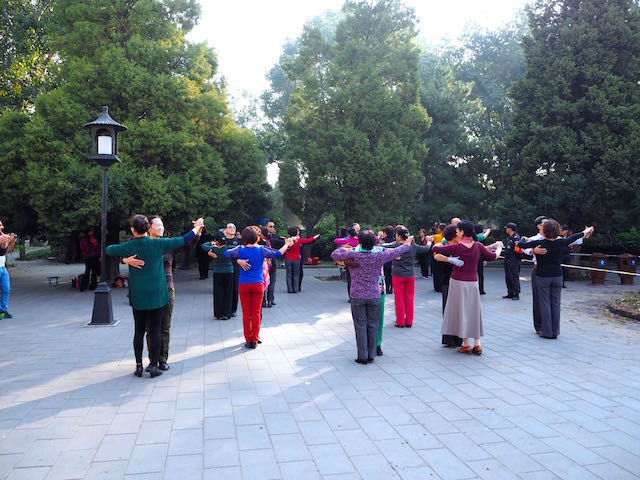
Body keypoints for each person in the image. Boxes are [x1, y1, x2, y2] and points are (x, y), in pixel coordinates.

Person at [106, 214, 204, 377]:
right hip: (158, 294)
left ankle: (141, 365)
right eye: (157, 225)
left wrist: (125, 259)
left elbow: (109, 249)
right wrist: (197, 227)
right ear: (148, 228)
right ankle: (153, 365)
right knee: (156, 330)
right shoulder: (160, 244)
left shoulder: (131, 245)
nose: (160, 227)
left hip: (140, 295)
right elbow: (183, 239)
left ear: (133, 230)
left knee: (141, 331)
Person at [332, 229, 412, 364]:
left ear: (360, 243)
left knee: (360, 325)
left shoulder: (353, 254)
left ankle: (362, 355)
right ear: (374, 243)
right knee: (373, 324)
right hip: (374, 294)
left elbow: (334, 254)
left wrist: (344, 248)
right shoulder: (379, 255)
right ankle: (371, 354)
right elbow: (396, 251)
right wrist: (407, 244)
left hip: (357, 295)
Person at [432, 220, 502, 355]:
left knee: (461, 312)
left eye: (458, 230)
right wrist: (498, 247)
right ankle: (477, 344)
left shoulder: (458, 247)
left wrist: (439, 243)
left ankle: (466, 344)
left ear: (462, 232)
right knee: (474, 312)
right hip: (473, 283)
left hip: (457, 282)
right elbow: (493, 256)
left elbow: (436, 249)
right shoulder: (478, 246)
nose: (456, 232)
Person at [518, 220, 594, 339]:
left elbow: (520, 244)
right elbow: (574, 237)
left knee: (544, 303)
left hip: (542, 276)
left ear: (544, 231)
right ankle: (555, 331)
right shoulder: (561, 242)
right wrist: (585, 232)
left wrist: (524, 239)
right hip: (557, 276)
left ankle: (547, 332)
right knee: (556, 303)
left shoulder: (539, 243)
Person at [224, 227, 293, 348]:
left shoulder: (240, 249)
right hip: (258, 284)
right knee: (256, 313)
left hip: (244, 284)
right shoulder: (262, 249)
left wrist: (239, 260)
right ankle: (254, 340)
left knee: (246, 314)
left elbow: (226, 253)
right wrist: (287, 244)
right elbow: (277, 254)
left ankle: (248, 340)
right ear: (257, 237)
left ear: (243, 238)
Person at [382, 226, 432, 328]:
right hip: (410, 275)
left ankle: (400, 321)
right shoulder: (413, 246)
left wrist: (379, 239)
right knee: (409, 298)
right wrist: (429, 242)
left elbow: (383, 246)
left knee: (399, 299)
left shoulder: (396, 246)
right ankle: (409, 321)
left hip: (397, 275)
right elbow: (426, 249)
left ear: (399, 236)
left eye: (396, 235)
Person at [433, 224, 464, 347]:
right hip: (448, 282)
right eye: (458, 233)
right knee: (448, 310)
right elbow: (436, 255)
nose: (460, 235)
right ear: (453, 236)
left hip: (460, 282)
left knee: (459, 311)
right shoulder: (445, 247)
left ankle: (458, 338)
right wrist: (450, 260)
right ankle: (449, 339)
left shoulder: (460, 246)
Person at [521, 216, 548, 335]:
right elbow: (523, 248)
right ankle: (539, 326)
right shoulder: (533, 239)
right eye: (545, 223)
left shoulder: (554, 238)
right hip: (538, 270)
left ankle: (549, 325)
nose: (548, 225)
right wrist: (533, 251)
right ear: (539, 226)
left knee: (550, 300)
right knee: (538, 299)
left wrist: (585, 235)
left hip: (553, 273)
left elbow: (570, 240)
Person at [284, 227, 319, 293]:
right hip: (296, 259)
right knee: (296, 275)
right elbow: (308, 240)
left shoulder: (287, 240)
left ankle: (290, 289)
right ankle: (295, 289)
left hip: (288, 259)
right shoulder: (299, 240)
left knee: (289, 274)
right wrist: (315, 237)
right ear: (296, 232)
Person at [334, 227, 359, 300]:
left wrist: (345, 240)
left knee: (350, 280)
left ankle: (351, 297)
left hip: (349, 262)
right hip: (358, 261)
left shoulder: (347, 240)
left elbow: (335, 241)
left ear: (348, 234)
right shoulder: (359, 240)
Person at [264, 221, 284, 306]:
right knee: (264, 282)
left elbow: (281, 244)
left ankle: (270, 299)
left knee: (272, 281)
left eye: (273, 227)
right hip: (264, 264)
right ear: (266, 227)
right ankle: (263, 301)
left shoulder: (275, 237)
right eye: (270, 226)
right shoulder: (263, 238)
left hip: (272, 262)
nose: (272, 228)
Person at [0, 219, 16, 320]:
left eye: (2, 225)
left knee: (6, 289)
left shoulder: (3, 237)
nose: (2, 227)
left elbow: (7, 251)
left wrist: (12, 241)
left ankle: (2, 311)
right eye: (0, 225)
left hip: (2, 268)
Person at [224, 223, 241, 316]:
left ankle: (233, 309)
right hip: (224, 267)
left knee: (235, 288)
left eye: (234, 227)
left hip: (235, 267)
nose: (232, 229)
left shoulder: (238, 241)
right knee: (225, 288)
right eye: (230, 227)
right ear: (226, 229)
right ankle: (225, 308)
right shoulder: (222, 240)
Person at [503, 222, 522, 300]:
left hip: (513, 260)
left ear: (510, 229)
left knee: (514, 276)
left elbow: (518, 250)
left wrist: (517, 259)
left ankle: (516, 293)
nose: (506, 229)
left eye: (507, 228)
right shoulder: (510, 237)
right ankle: (510, 292)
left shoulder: (516, 238)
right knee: (508, 276)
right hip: (508, 259)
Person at [431, 223, 446, 292]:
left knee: (436, 272)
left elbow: (428, 238)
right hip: (444, 255)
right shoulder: (446, 236)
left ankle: (437, 286)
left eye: (438, 228)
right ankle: (442, 286)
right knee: (443, 272)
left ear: (440, 229)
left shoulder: (436, 236)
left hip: (436, 255)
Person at [381, 226, 395, 293]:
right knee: (392, 275)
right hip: (393, 260)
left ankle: (387, 288)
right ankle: (391, 288)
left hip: (386, 260)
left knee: (386, 275)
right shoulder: (394, 240)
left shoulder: (383, 241)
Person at [474, 224, 487, 295]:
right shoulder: (482, 237)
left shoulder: (473, 236)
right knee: (480, 274)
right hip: (480, 257)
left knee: (473, 273)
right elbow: (484, 249)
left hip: (473, 256)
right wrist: (485, 259)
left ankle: (473, 288)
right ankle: (481, 289)